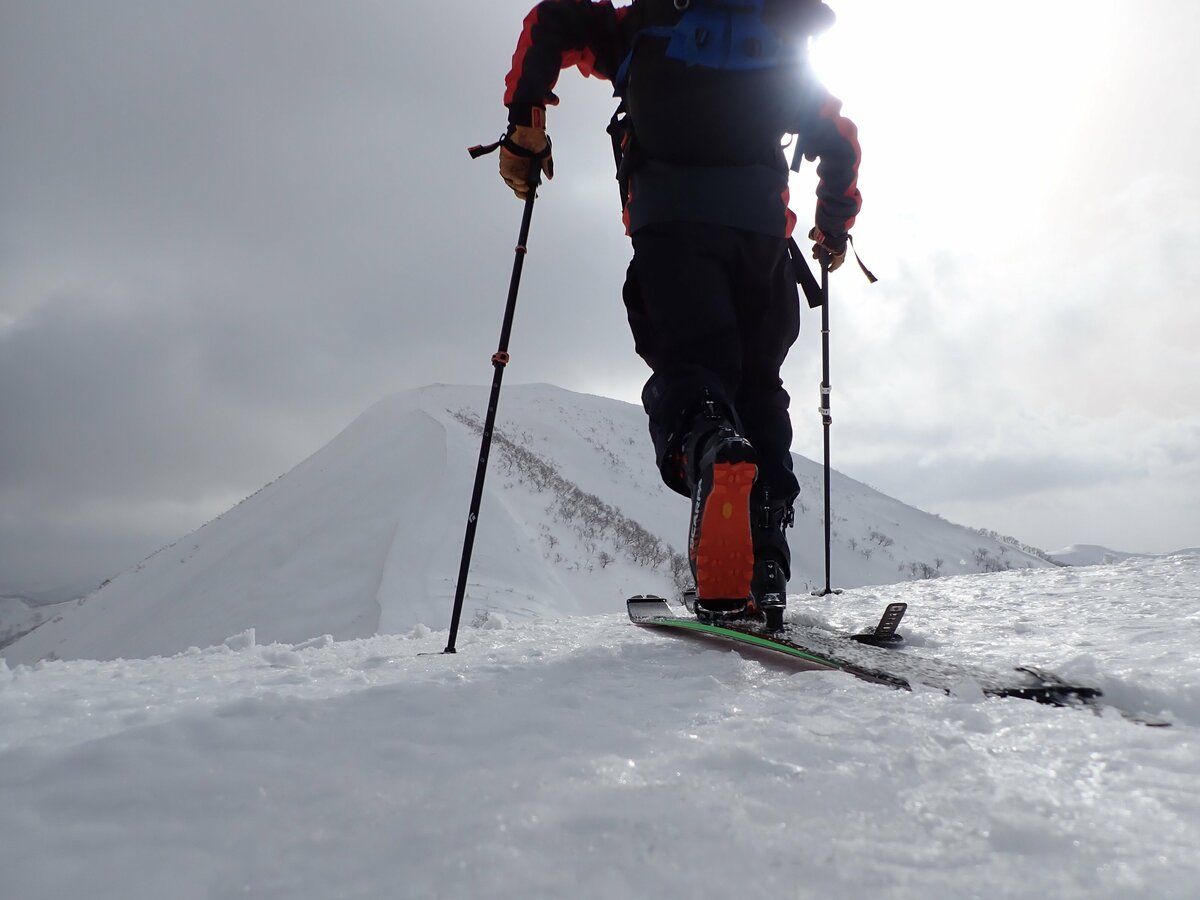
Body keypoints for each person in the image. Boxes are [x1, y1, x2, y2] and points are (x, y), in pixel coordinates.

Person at [490, 0, 861, 623]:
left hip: (673, 230)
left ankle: (713, 451)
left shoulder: (643, 27)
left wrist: (526, 123)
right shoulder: (776, 41)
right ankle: (765, 558)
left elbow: (553, 19)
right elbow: (840, 142)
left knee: (694, 373)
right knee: (760, 386)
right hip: (763, 243)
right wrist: (832, 228)